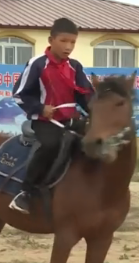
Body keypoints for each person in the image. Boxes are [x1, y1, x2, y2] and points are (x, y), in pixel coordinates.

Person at [10, 17, 94, 214]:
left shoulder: (75, 66)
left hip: (70, 119)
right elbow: (19, 94)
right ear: (51, 40)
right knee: (51, 145)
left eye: (72, 42)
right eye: (64, 41)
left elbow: (86, 95)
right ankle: (26, 192)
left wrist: (96, 113)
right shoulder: (37, 64)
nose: (69, 46)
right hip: (45, 121)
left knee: (95, 141)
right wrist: (40, 108)